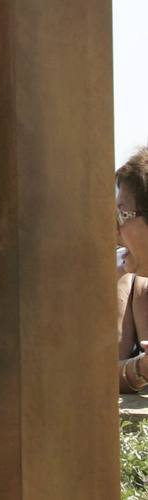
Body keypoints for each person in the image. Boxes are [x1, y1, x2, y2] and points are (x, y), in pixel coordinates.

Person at [117, 147, 148, 392]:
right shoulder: (132, 285)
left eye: (122, 215)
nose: (114, 232)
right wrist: (141, 368)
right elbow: (94, 372)